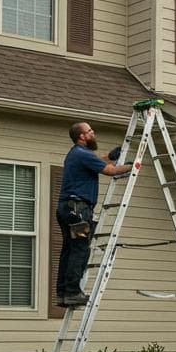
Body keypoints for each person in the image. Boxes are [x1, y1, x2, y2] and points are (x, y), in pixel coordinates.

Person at [56, 121, 134, 308]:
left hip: (67, 209)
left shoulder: (77, 154)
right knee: (80, 249)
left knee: (69, 250)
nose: (94, 133)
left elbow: (99, 161)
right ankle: (73, 292)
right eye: (90, 131)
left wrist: (110, 156)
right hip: (78, 209)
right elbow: (111, 171)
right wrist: (133, 165)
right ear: (82, 136)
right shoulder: (82, 154)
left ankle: (63, 294)